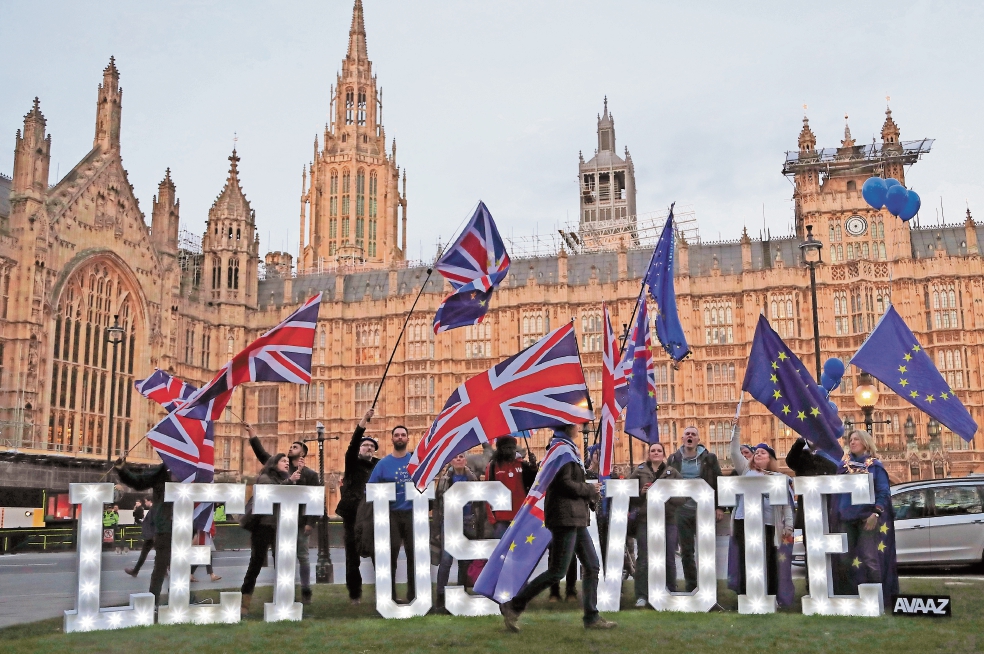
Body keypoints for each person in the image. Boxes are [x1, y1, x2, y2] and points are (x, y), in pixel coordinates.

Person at [500, 425, 615, 632]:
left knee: (592, 565)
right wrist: (589, 489)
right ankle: (514, 605)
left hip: (575, 517)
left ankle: (591, 616)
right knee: (557, 571)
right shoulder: (562, 450)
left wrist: (592, 487)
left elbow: (571, 482)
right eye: (576, 425)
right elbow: (563, 484)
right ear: (568, 428)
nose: (579, 428)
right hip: (565, 518)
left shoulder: (567, 449)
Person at [245, 423, 321, 605]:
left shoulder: (309, 474)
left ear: (302, 453)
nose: (290, 449)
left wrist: (311, 522)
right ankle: (284, 597)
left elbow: (315, 497)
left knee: (301, 556)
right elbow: (263, 455)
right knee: (278, 560)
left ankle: (304, 590)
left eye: (295, 447)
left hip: (299, 521)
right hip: (276, 522)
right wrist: (253, 434)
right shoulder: (280, 470)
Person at [729, 430, 795, 607]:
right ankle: (745, 596)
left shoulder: (779, 478)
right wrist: (736, 431)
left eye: (762, 452)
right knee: (745, 559)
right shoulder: (746, 472)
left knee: (769, 560)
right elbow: (735, 452)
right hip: (744, 522)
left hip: (768, 524)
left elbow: (786, 505)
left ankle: (770, 595)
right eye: (756, 452)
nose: (758, 454)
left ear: (770, 459)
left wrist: (788, 525)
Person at [837, 430, 898, 604]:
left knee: (870, 558)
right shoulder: (842, 467)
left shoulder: (874, 466)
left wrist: (876, 513)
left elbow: (883, 492)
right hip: (846, 518)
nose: (852, 442)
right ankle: (851, 597)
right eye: (850, 439)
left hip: (866, 518)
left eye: (856, 439)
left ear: (865, 442)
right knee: (844, 558)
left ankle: (875, 600)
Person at [241, 453, 300, 616]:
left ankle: (283, 602)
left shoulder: (284, 479)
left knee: (282, 564)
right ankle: (244, 603)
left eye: (288, 462)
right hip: (263, 527)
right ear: (274, 464)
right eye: (283, 461)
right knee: (256, 564)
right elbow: (272, 492)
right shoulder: (265, 478)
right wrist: (290, 481)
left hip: (280, 527)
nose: (287, 463)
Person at [666, 426, 724, 592]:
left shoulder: (709, 458)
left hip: (703, 509)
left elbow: (718, 482)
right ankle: (692, 585)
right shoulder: (673, 459)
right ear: (682, 438)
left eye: (693, 434)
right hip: (681, 510)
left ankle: (708, 587)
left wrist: (719, 507)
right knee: (686, 551)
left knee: (707, 550)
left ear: (698, 439)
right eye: (687, 434)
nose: (690, 436)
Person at [367, 424, 417, 602]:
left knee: (414, 556)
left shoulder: (417, 461)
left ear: (408, 438)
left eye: (403, 434)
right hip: (391, 515)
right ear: (392, 439)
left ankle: (415, 595)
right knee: (390, 556)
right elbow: (370, 489)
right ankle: (390, 597)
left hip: (413, 514)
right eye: (397, 435)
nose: (400, 437)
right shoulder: (383, 464)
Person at [629, 442, 683, 606]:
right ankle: (642, 596)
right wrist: (641, 493)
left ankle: (670, 591)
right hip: (645, 520)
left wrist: (667, 495)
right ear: (649, 454)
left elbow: (682, 497)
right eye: (653, 450)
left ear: (663, 454)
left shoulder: (672, 473)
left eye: (659, 450)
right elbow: (629, 496)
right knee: (644, 558)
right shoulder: (638, 472)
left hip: (668, 520)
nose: (656, 453)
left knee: (669, 558)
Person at [337, 408, 380, 605]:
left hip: (372, 515)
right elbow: (352, 446)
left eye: (371, 446)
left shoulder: (379, 466)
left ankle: (383, 590)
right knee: (352, 557)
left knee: (378, 555)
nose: (368, 448)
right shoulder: (352, 463)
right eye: (365, 445)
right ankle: (355, 595)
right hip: (353, 514)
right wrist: (363, 421)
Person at [114, 460, 173, 604]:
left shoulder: (168, 470)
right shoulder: (163, 471)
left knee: (166, 567)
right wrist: (123, 470)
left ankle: (172, 601)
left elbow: (140, 481)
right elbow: (140, 481)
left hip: (175, 524)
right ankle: (156, 602)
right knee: (161, 567)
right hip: (166, 526)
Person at [432, 452, 482, 612]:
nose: (459, 459)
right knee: (446, 560)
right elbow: (438, 505)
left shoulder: (472, 478)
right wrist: (437, 527)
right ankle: (440, 595)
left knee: (464, 561)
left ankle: (461, 593)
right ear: (451, 460)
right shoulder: (444, 480)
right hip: (449, 521)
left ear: (465, 460)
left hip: (467, 521)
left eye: (461, 457)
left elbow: (478, 503)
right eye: (455, 457)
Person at [485, 435, 537, 539]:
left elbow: (534, 485)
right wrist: (493, 519)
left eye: (513, 447)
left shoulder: (523, 465)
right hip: (501, 519)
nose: (510, 450)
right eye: (506, 448)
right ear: (500, 449)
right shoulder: (492, 466)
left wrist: (534, 466)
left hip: (521, 517)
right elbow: (488, 492)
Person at [125, 497, 155, 578]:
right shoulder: (153, 510)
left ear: (150, 501)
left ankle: (135, 571)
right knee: (159, 554)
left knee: (145, 554)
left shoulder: (153, 510)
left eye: (146, 501)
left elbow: (153, 523)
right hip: (152, 536)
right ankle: (135, 571)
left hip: (152, 536)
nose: (145, 503)